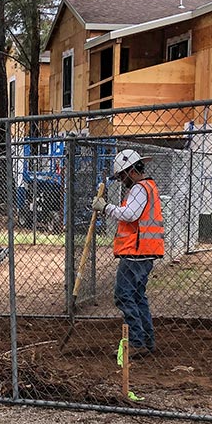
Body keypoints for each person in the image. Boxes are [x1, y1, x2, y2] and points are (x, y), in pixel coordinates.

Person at [92, 149, 164, 356]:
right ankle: (146, 341)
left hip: (136, 252)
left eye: (122, 175)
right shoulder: (148, 187)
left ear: (131, 171)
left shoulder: (140, 189)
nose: (122, 180)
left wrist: (106, 207)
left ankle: (137, 341)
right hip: (143, 251)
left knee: (123, 295)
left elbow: (131, 215)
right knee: (137, 296)